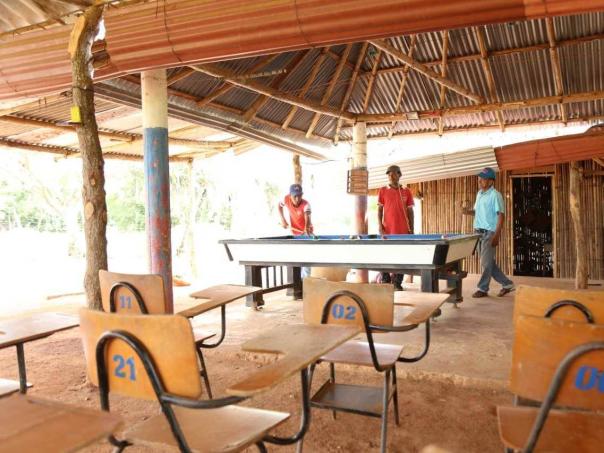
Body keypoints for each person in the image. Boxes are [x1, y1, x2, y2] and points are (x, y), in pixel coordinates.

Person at [462, 167, 515, 298]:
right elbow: (476, 212)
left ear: (491, 181)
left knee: (486, 263)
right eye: (479, 178)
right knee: (489, 262)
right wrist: (466, 211)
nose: (480, 181)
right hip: (478, 233)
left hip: (489, 233)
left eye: (483, 179)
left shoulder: (495, 195)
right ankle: (507, 284)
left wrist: (496, 235)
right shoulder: (479, 194)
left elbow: (501, 216)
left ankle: (483, 288)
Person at [377, 165, 414, 290]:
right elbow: (379, 210)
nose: (391, 176)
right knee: (384, 255)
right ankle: (386, 280)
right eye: (389, 174)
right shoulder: (383, 190)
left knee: (402, 256)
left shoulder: (406, 191)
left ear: (399, 175)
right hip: (387, 231)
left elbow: (410, 212)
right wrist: (380, 226)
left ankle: (397, 283)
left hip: (403, 231)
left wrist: (412, 229)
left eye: (393, 174)